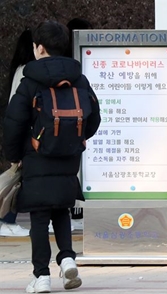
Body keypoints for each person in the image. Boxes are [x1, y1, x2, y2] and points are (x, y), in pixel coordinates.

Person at [4, 20, 102, 293]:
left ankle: (41, 276)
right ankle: (68, 258)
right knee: (61, 208)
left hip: (36, 158)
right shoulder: (79, 79)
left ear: (39, 48)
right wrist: (75, 140)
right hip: (69, 158)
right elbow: (94, 117)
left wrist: (14, 155)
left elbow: (14, 122)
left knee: (39, 217)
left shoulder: (29, 82)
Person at [0, 28, 34, 237]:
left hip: (19, 132)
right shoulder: (28, 71)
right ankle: (6, 219)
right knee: (18, 182)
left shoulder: (19, 69)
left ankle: (7, 219)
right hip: (25, 133)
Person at [64, 17, 94, 231]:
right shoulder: (83, 63)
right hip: (82, 123)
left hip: (63, 125)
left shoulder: (62, 63)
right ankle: (78, 211)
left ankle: (73, 212)